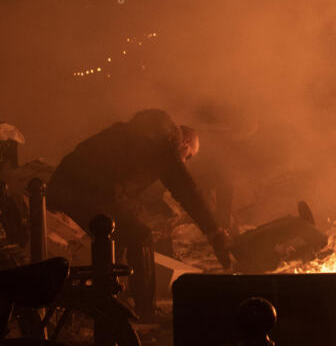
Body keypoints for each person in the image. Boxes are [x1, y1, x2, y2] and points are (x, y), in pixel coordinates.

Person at [47, 109, 231, 320]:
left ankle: (106, 301)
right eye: (188, 156)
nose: (185, 162)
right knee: (140, 235)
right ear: (185, 143)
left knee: (117, 233)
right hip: (82, 190)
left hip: (66, 186)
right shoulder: (164, 147)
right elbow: (186, 190)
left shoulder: (137, 136)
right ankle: (145, 309)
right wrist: (213, 232)